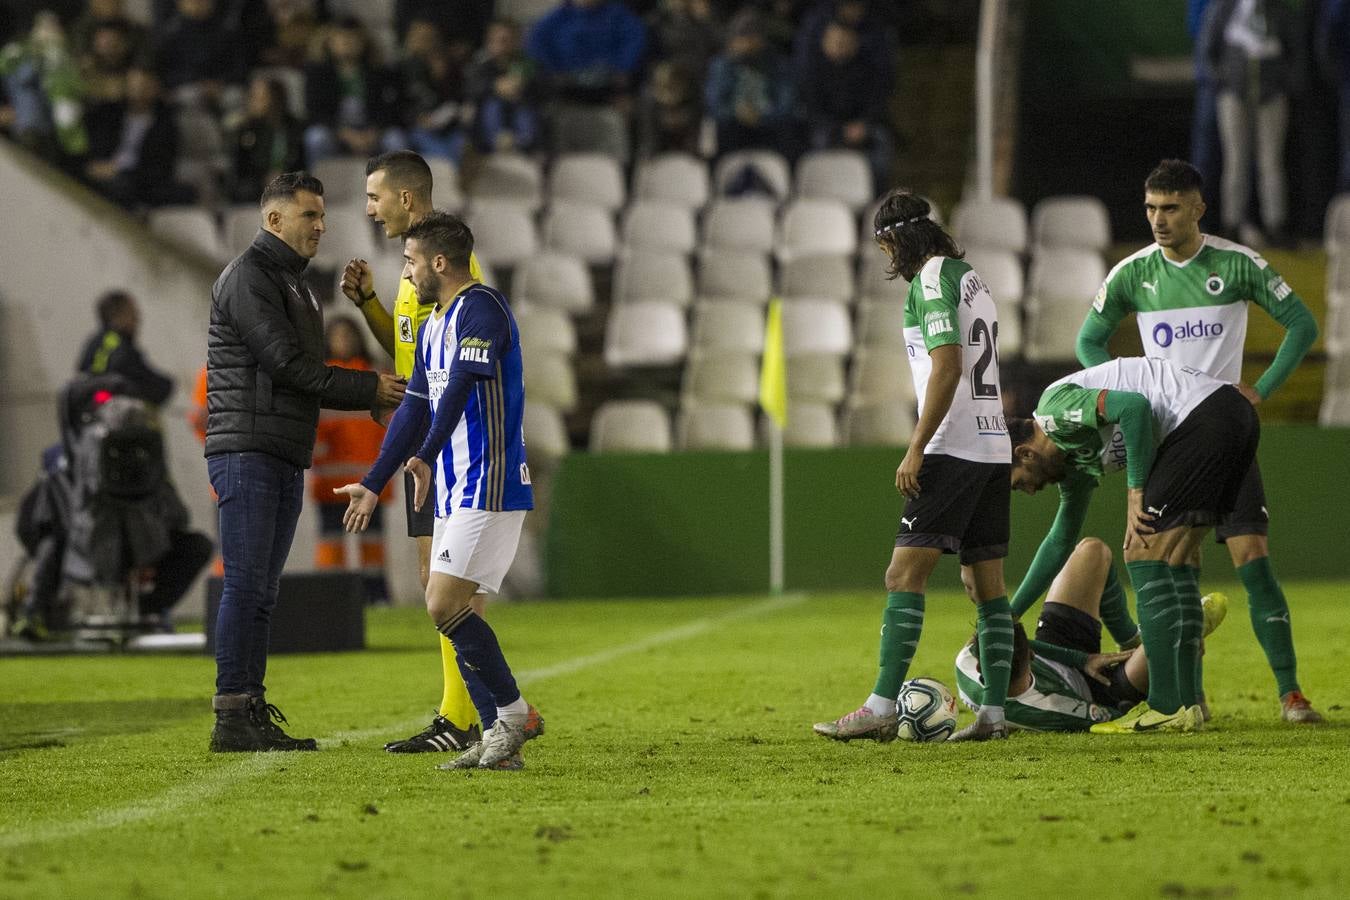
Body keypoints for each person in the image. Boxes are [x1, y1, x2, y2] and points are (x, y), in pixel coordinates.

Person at [1074, 159, 1323, 725]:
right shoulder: (1132, 274)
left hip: (1224, 435)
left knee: (1252, 558)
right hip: (1167, 440)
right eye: (1150, 209)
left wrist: (1260, 389)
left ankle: (1290, 694)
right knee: (1175, 561)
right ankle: (1190, 697)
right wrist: (1124, 387)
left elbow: (1302, 324)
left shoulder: (1236, 264)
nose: (1158, 220)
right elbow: (1088, 341)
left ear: (1198, 207)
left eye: (1170, 208)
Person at [205, 171, 406, 753]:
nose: (321, 225)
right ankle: (231, 715)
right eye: (309, 216)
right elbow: (287, 366)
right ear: (274, 220)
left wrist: (362, 393)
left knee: (261, 589)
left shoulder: (290, 281)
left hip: (278, 450)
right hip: (247, 449)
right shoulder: (249, 278)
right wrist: (368, 391)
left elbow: (296, 371)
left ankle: (247, 709)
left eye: (322, 215)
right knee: (245, 585)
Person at [335, 211, 541, 771]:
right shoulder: (433, 326)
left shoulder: (484, 309)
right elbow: (416, 408)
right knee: (454, 606)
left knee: (443, 603)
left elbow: (466, 387)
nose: (406, 274)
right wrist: (376, 483)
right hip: (452, 486)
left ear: (439, 263)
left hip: (489, 478)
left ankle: (514, 716)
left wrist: (424, 454)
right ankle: (499, 742)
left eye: (410, 263)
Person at [813, 190, 1015, 744]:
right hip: (993, 446)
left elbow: (946, 367)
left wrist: (917, 446)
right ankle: (994, 716)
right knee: (986, 586)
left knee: (903, 575)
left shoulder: (928, 280)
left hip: (953, 445)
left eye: (884, 245)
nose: (885, 257)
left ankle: (880, 707)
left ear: (896, 239)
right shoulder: (968, 276)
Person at [339, 150, 499, 755]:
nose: (369, 209)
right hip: (422, 434)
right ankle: (486, 708)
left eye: (375, 196)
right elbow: (413, 353)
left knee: (448, 585)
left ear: (408, 199)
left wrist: (427, 436)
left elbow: (455, 365)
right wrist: (370, 307)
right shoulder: (413, 271)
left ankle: (465, 718)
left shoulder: (447, 266)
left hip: (443, 443)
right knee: (440, 579)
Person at [1009, 357, 1260, 733]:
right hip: (1231, 417)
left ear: (1024, 454)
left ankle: (1164, 706)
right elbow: (1060, 539)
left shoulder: (1053, 411)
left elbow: (1134, 407)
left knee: (1141, 548)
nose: (1028, 490)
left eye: (1019, 482)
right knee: (1179, 559)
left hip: (1203, 418)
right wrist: (1008, 614)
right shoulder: (1073, 462)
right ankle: (1190, 704)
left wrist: (1136, 491)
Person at [960, 537, 1227, 733]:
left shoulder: (966, 661)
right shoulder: (1044, 710)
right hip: (1101, 691)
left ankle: (1135, 637)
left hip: (1063, 650)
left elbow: (1013, 643)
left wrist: (1080, 658)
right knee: (1174, 632)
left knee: (1092, 551)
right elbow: (1111, 716)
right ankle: (1184, 640)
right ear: (1029, 657)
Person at [1197, 0, 1303, 245]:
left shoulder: (1279, 9)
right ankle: (1231, 225)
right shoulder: (1223, 7)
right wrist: (1223, 79)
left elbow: (1295, 49)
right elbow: (1208, 46)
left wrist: (1283, 82)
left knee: (1271, 161)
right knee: (1235, 161)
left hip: (1272, 95)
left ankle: (1276, 225)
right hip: (1233, 95)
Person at [311, 317, 391, 603]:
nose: (343, 341)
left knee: (372, 544)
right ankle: (331, 599)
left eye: (349, 335)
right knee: (332, 542)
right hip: (330, 481)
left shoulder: (376, 377)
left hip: (370, 480)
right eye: (337, 335)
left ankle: (376, 597)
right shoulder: (320, 377)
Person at [704, 11, 796, 159]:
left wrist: (762, 115)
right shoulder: (721, 65)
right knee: (721, 128)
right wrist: (737, 112)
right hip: (733, 127)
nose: (747, 43)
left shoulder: (778, 64)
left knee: (787, 128)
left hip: (769, 126)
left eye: (752, 37)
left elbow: (786, 104)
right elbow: (714, 105)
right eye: (742, 37)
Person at [76, 290, 174, 406]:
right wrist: (169, 385)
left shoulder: (94, 342)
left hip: (89, 410)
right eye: (133, 314)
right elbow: (155, 386)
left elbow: (84, 371)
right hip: (114, 414)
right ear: (120, 317)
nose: (138, 319)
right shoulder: (124, 349)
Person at [230, 74, 305, 203]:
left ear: (275, 99)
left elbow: (300, 162)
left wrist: (283, 175)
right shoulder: (247, 129)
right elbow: (241, 168)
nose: (253, 103)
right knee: (245, 191)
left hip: (289, 181)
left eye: (260, 98)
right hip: (257, 184)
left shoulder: (293, 127)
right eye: (252, 97)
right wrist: (263, 176)